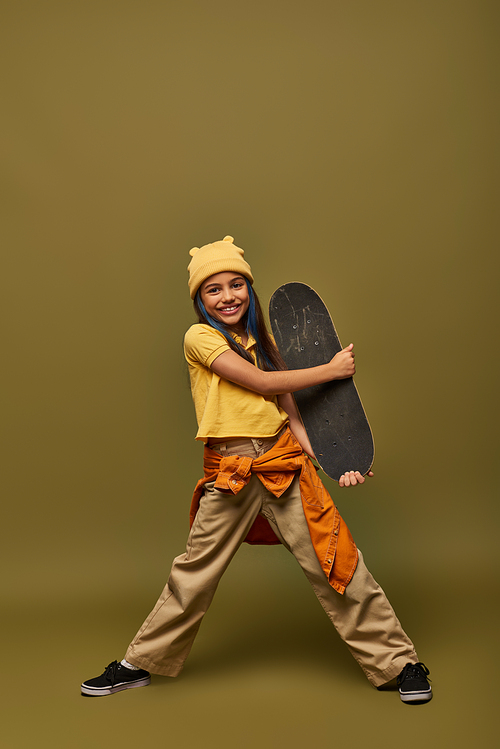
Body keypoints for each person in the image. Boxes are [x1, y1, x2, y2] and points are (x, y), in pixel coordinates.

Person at [81, 235, 432, 704]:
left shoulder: (264, 341)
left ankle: (400, 664)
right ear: (200, 300)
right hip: (232, 470)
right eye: (213, 289)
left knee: (338, 564)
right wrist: (330, 371)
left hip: (283, 461)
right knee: (194, 572)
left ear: (249, 288)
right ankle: (137, 665)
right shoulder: (200, 338)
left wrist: (332, 463)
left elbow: (288, 410)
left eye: (236, 285)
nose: (227, 296)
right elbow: (262, 382)